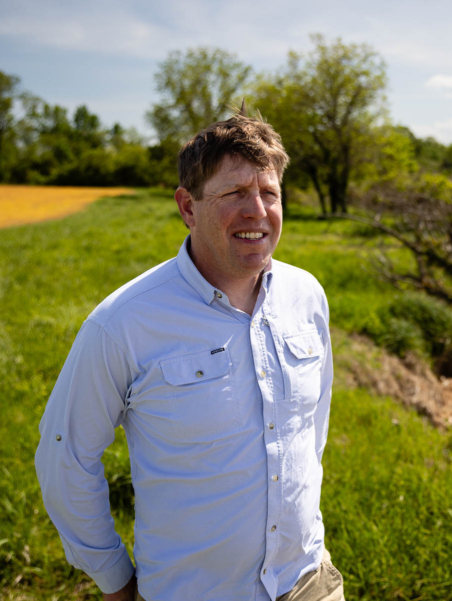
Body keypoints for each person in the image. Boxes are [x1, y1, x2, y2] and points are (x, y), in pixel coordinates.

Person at [34, 111, 342, 601]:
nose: (257, 211)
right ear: (187, 206)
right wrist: (115, 579)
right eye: (234, 193)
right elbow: (64, 457)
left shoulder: (307, 296)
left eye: (269, 193)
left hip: (307, 582)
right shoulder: (123, 323)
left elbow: (311, 432)